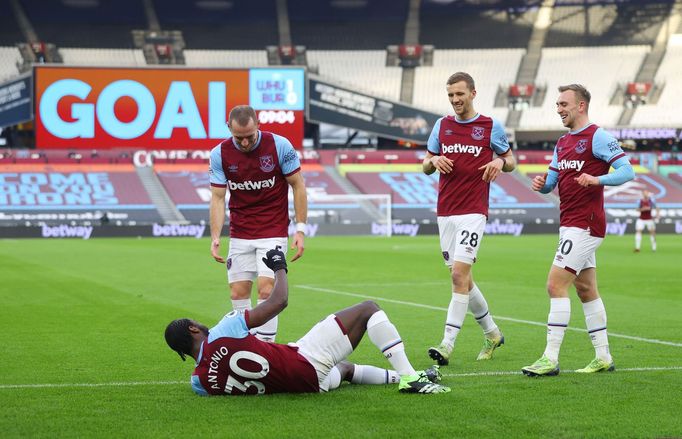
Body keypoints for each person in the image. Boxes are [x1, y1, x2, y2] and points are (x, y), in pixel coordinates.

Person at [164, 248, 450, 395]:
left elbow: (215, 377)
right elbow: (278, 302)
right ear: (193, 328)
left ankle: (407, 377)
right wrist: (279, 267)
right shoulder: (224, 330)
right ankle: (411, 378)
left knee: (345, 369)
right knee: (368, 309)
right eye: (195, 321)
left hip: (304, 384)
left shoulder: (198, 382)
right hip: (306, 363)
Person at [522, 84, 635, 377]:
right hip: (570, 222)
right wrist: (542, 184)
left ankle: (549, 358)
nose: (558, 109)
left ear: (581, 105)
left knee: (555, 285)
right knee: (586, 289)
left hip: (585, 223)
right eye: (557, 105)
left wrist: (597, 180)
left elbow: (627, 171)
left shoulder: (597, 136)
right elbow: (553, 181)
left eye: (563, 104)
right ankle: (603, 357)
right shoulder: (562, 143)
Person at [422, 72, 516, 365]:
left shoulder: (490, 126)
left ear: (473, 93)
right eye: (450, 95)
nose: (455, 100)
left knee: (458, 275)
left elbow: (511, 160)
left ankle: (447, 344)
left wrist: (500, 160)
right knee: (464, 279)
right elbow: (425, 165)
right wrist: (433, 161)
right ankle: (492, 333)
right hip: (445, 213)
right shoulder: (442, 126)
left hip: (474, 211)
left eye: (460, 94)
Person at [209, 105, 308, 343]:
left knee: (266, 289)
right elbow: (218, 197)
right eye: (239, 138)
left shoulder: (279, 145)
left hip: (273, 230)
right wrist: (215, 237)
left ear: (258, 126)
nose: (244, 143)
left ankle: (266, 349)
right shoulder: (219, 154)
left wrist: (301, 228)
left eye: (250, 137)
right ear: (229, 129)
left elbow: (298, 185)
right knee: (238, 292)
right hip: (240, 232)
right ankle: (247, 347)